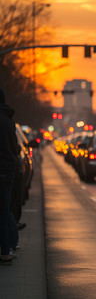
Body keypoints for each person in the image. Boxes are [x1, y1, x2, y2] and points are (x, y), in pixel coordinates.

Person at [0, 88, 19, 266]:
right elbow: (14, 147)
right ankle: (7, 250)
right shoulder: (8, 120)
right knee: (5, 211)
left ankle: (6, 250)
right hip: (8, 170)